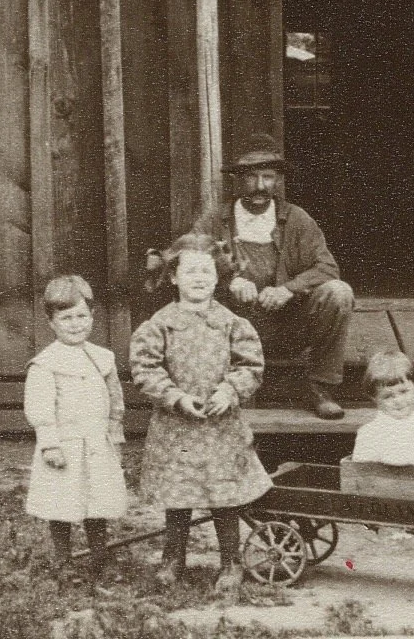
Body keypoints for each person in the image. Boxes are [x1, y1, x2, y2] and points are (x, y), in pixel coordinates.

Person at [130, 232, 273, 594]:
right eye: (190, 271)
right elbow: (144, 367)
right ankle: (173, 558)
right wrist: (174, 396)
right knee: (178, 496)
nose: (199, 279)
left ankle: (230, 561)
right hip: (176, 427)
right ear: (174, 276)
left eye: (206, 272)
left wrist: (230, 390)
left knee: (223, 495)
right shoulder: (159, 324)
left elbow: (251, 365)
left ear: (217, 277)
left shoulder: (231, 324)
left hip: (220, 427)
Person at [191, 137, 355, 419]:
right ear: (237, 181)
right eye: (252, 177)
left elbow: (328, 268)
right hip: (232, 328)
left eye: (268, 177)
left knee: (339, 292)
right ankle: (229, 385)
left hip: (288, 324)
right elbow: (189, 261)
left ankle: (319, 386)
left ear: (278, 180)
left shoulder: (297, 219)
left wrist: (288, 290)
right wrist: (228, 279)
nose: (260, 186)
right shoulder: (214, 220)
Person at [23, 274, 128, 580]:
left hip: (97, 445)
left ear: (92, 317)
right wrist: (50, 443)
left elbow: (115, 402)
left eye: (82, 316)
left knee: (98, 502)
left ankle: (101, 556)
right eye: (66, 317)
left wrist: (115, 436)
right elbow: (40, 408)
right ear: (51, 322)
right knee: (62, 504)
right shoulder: (46, 364)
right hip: (65, 446)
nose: (75, 324)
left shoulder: (101, 359)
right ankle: (63, 559)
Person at [350, 351, 414, 467]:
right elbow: (393, 459)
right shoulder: (373, 430)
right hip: (384, 479)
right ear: (376, 399)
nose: (398, 401)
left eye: (403, 391)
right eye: (388, 396)